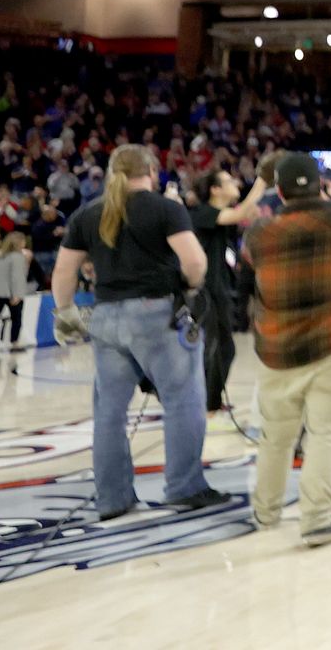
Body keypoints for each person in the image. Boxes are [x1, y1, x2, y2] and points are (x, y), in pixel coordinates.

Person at [49, 145, 227, 519]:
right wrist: (190, 288)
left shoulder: (88, 214)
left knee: (109, 413)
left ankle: (113, 498)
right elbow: (195, 261)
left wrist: (66, 316)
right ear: (151, 169)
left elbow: (64, 272)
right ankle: (185, 486)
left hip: (106, 317)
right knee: (182, 401)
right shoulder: (165, 208)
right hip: (155, 314)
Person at [241, 152, 331, 548]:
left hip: (277, 348)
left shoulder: (259, 233)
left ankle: (265, 512)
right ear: (320, 184)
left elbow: (245, 278)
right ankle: (316, 520)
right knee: (325, 434)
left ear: (279, 191)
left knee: (275, 437)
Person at [188, 168, 267, 421]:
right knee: (214, 347)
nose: (235, 183)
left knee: (225, 348)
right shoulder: (203, 212)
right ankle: (206, 405)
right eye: (228, 181)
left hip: (220, 286)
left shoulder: (219, 215)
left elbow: (244, 214)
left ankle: (210, 401)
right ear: (215, 189)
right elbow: (241, 212)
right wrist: (263, 180)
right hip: (206, 289)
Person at [0, 231, 31, 350]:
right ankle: (14, 343)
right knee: (16, 318)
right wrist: (17, 295)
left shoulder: (0, 254)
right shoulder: (18, 256)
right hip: (13, 292)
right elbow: (18, 277)